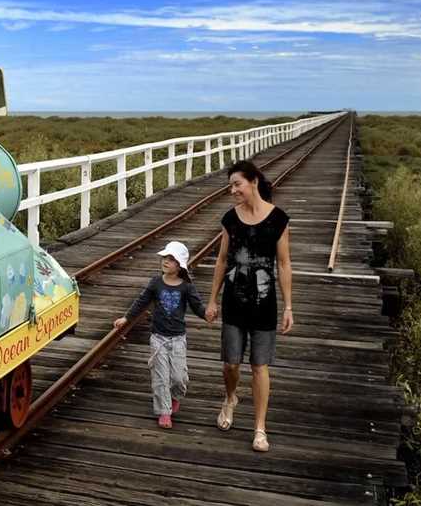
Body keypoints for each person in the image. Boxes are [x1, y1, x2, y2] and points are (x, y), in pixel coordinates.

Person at [205, 160, 293, 453]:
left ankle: (259, 428)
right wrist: (213, 299)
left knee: (259, 366)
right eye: (230, 186)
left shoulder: (278, 219)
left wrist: (289, 306)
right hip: (234, 301)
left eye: (236, 184)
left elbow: (284, 263)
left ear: (254, 181)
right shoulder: (230, 219)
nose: (232, 191)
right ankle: (230, 398)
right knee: (231, 363)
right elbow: (221, 260)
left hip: (265, 304)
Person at [114, 241, 206, 429]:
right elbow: (142, 301)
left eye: (171, 259)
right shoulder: (156, 283)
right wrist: (126, 318)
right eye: (165, 257)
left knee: (179, 378)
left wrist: (207, 314)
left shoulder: (186, 287)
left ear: (179, 265)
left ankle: (175, 397)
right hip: (158, 338)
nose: (166, 261)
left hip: (178, 338)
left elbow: (197, 306)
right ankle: (164, 411)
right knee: (161, 376)